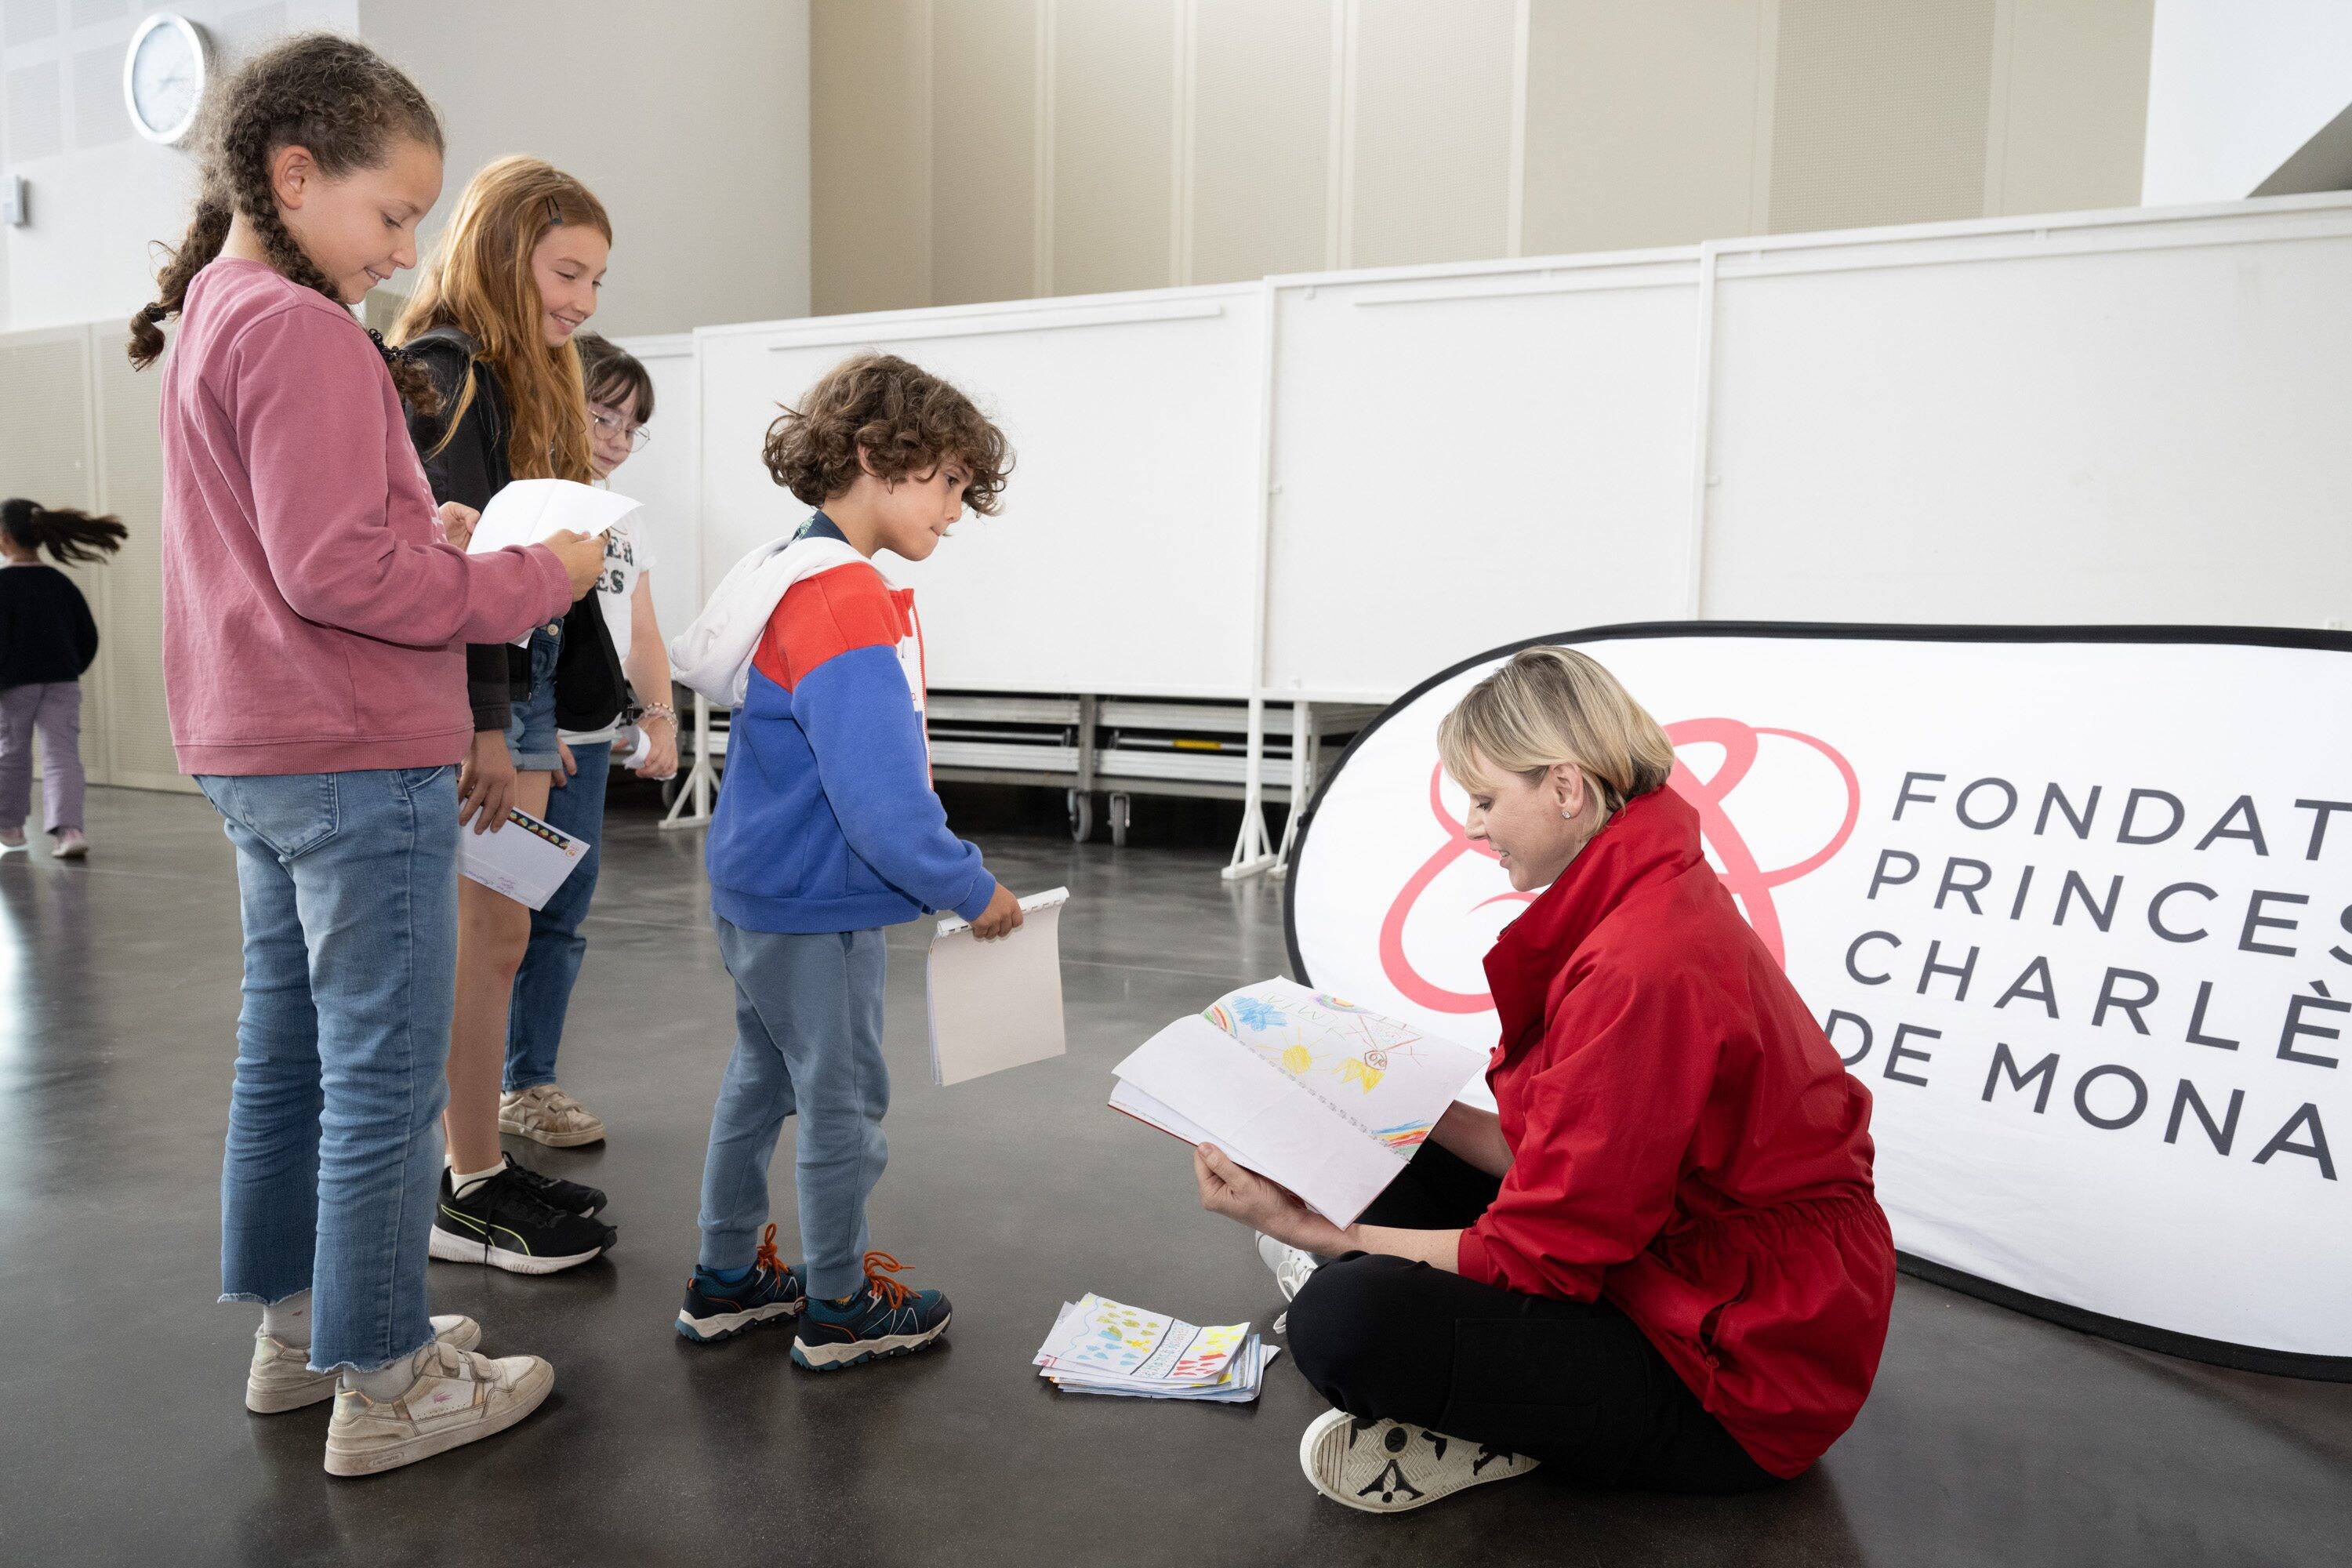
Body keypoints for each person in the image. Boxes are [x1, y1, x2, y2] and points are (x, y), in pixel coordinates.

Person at [132, 34, 607, 1475]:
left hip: (259, 746)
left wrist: (431, 534)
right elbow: (336, 577)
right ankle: (390, 1379)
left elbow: (311, 544)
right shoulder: (301, 329)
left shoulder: (221, 310)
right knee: (382, 1076)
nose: (407, 251)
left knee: (285, 1060)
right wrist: (537, 578)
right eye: (394, 214)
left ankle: (305, 1331)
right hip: (352, 753)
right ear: (293, 173)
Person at [1193, 646, 1896, 1512]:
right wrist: (1380, 1094)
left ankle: (1505, 1418)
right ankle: (1492, 1386)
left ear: (1565, 788)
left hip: (1740, 1375)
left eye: (1486, 799)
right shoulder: (1639, 897)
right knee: (1374, 1144)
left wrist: (1321, 1230)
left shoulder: (1645, 961)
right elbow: (1559, 1155)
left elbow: (1542, 1252)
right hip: (1668, 1261)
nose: (1471, 825)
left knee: (1342, 1321)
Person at [666, 353, 1024, 1367]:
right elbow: (880, 804)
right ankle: (836, 1306)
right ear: (877, 455)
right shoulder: (848, 599)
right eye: (948, 480)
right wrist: (971, 889)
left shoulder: (791, 571)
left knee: (760, 1081)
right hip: (815, 903)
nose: (956, 509)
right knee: (843, 1099)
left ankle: (726, 1279)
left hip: (755, 889)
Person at [393, 157, 625, 1274]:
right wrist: (489, 727)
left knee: (504, 934)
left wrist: (560, 724)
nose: (580, 300)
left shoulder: (531, 377)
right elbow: (464, 564)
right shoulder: (451, 375)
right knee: (480, 942)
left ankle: (477, 1160)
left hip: (525, 700)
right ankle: (462, 1181)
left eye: (594, 281)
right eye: (565, 271)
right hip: (481, 698)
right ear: (503, 249)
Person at [499, 333, 681, 1150]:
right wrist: (532, 732)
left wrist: (660, 714)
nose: (614, 435)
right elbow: (506, 629)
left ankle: (530, 1078)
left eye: (631, 423)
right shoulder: (530, 499)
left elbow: (639, 627)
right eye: (603, 412)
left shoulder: (623, 517)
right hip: (536, 741)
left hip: (595, 742)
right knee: (502, 918)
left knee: (563, 919)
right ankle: (486, 1086)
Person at [0, 499, 123, 858]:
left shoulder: (2, 585)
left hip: (13, 686)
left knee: (11, 752)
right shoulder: (60, 583)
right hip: (63, 682)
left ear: (4, 538)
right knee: (63, 755)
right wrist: (70, 667)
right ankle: (69, 832)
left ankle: (9, 827)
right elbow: (88, 635)